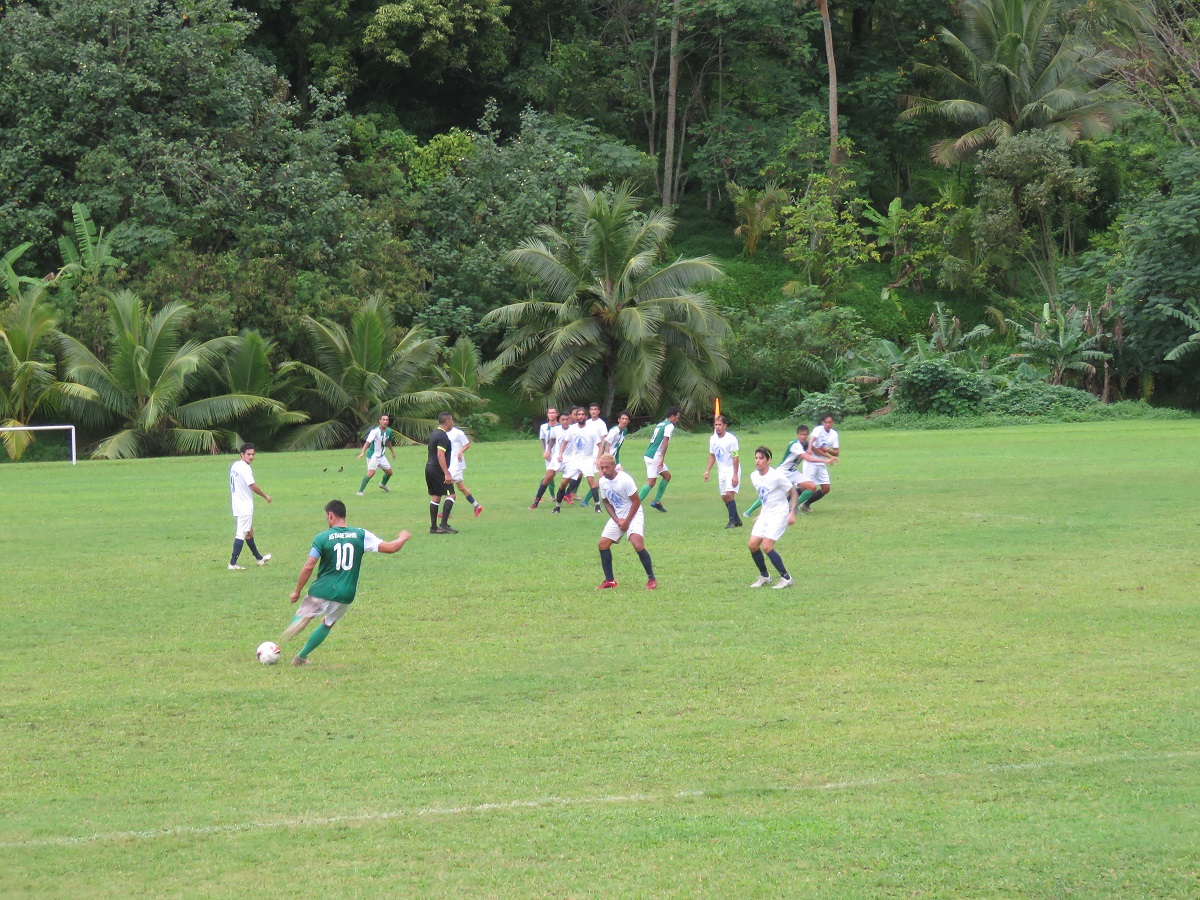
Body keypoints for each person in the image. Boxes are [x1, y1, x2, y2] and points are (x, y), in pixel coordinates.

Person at [280, 499, 411, 666]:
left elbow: (309, 565)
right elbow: (392, 548)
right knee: (328, 623)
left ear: (330, 515)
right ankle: (300, 657)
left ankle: (276, 646)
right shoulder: (361, 534)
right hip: (346, 593)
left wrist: (297, 591)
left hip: (322, 590)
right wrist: (403, 537)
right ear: (345, 515)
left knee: (303, 616)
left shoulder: (322, 538)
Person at [595, 454, 657, 590]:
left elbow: (636, 501)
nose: (604, 470)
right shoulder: (602, 481)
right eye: (601, 468)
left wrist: (627, 521)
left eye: (607, 467)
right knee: (603, 544)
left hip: (633, 513)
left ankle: (651, 579)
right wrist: (617, 520)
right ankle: (610, 580)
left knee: (637, 544)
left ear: (613, 466)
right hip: (618, 516)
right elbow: (606, 503)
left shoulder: (625, 480)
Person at [746, 424, 828, 518]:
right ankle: (748, 511)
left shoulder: (806, 444)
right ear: (797, 435)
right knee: (770, 492)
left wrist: (829, 456)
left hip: (793, 472)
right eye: (801, 434)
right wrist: (825, 460)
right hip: (783, 471)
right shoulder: (795, 445)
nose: (803, 437)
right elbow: (807, 458)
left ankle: (792, 507)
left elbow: (815, 449)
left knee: (812, 487)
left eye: (805, 434)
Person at [746, 446, 798, 589]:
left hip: (779, 513)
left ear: (768, 460)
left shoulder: (777, 476)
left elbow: (793, 493)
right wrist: (761, 513)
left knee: (767, 546)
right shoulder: (754, 476)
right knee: (753, 545)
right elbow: (765, 496)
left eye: (761, 458)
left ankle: (786, 578)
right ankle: (765, 576)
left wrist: (792, 512)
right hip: (766, 514)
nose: (758, 461)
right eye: (756, 458)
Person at [228, 443, 272, 570]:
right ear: (242, 454)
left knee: (249, 532)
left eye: (253, 454)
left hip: (237, 504)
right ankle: (232, 564)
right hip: (244, 506)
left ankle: (259, 558)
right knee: (241, 533)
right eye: (248, 454)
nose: (251, 457)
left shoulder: (235, 465)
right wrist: (265, 496)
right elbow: (252, 485)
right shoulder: (245, 468)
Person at [553, 407, 602, 514]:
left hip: (587, 459)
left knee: (590, 480)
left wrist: (598, 458)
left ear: (586, 416)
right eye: (578, 414)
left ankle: (598, 506)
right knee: (563, 482)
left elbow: (600, 445)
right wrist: (560, 454)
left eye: (582, 414)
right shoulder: (572, 428)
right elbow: (564, 443)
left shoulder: (591, 430)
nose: (580, 416)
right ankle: (557, 507)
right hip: (574, 460)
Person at [638, 406, 680, 512]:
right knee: (651, 482)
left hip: (650, 454)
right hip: (654, 456)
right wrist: (662, 458)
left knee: (667, 476)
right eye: (677, 417)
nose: (677, 420)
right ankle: (634, 505)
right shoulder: (669, 425)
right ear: (672, 416)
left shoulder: (661, 424)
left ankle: (656, 501)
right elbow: (665, 442)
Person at [703, 415, 741, 528]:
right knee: (724, 497)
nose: (717, 427)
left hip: (732, 469)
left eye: (720, 425)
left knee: (730, 494)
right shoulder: (713, 439)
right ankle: (737, 519)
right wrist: (707, 470)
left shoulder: (731, 439)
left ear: (725, 426)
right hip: (722, 471)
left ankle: (732, 521)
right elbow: (712, 455)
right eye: (716, 425)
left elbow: (735, 457)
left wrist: (735, 475)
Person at [425, 412, 458, 534]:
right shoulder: (443, 436)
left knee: (436, 495)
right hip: (438, 470)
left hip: (429, 467)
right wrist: (447, 473)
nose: (453, 423)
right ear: (448, 421)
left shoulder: (434, 433)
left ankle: (433, 527)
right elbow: (440, 455)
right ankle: (443, 525)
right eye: (452, 420)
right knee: (451, 495)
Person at [800, 414, 840, 512]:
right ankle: (787, 503)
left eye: (830, 422)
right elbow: (813, 444)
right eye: (826, 422)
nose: (827, 424)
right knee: (806, 488)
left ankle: (806, 505)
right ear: (822, 422)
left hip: (821, 462)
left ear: (833, 423)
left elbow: (836, 452)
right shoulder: (818, 430)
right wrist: (809, 448)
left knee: (826, 488)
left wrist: (826, 450)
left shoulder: (834, 434)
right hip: (811, 461)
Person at [446, 421, 483, 517]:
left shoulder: (458, 433)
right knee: (461, 487)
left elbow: (467, 444)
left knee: (447, 484)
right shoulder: (443, 433)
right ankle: (476, 506)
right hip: (450, 464)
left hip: (456, 464)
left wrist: (460, 452)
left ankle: (447, 512)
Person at [356, 414, 396, 496]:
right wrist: (362, 452)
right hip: (373, 456)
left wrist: (392, 452)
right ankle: (359, 492)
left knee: (389, 472)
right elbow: (368, 443)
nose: (385, 421)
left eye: (387, 420)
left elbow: (388, 442)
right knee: (371, 473)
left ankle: (382, 484)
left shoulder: (389, 431)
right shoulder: (374, 431)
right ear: (380, 421)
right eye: (383, 420)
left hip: (382, 456)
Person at [530, 407, 560, 509]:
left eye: (553, 413)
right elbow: (542, 440)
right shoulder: (543, 427)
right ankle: (552, 496)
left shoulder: (561, 427)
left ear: (557, 414)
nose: (551, 414)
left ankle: (568, 493)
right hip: (549, 455)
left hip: (560, 455)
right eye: (550, 413)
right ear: (547, 414)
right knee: (549, 475)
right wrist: (545, 452)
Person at [579, 403, 608, 507]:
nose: (593, 411)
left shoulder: (601, 424)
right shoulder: (586, 423)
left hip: (597, 454)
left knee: (601, 478)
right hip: (587, 455)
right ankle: (574, 496)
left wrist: (600, 456)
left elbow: (604, 440)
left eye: (595, 409)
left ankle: (586, 500)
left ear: (599, 411)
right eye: (591, 409)